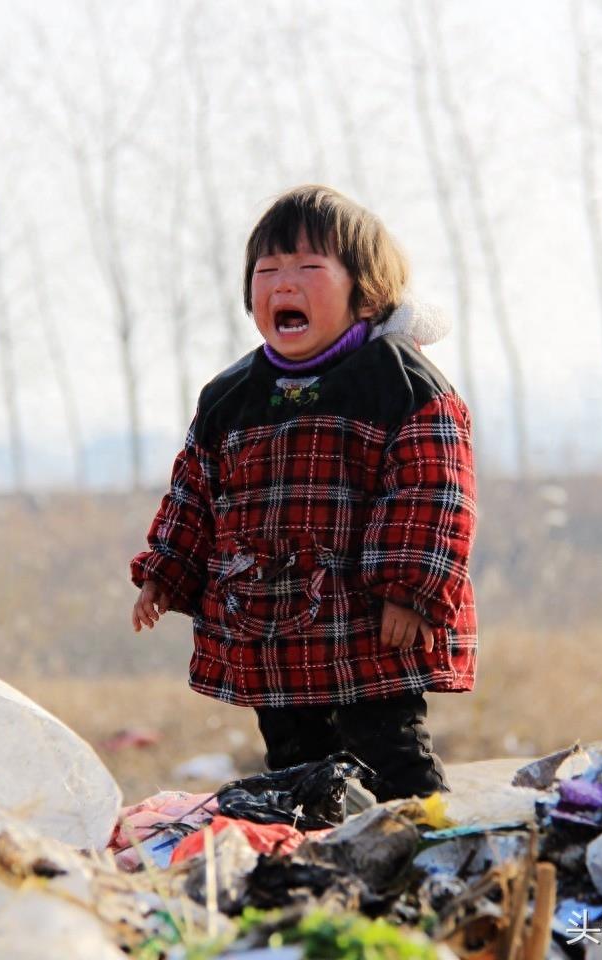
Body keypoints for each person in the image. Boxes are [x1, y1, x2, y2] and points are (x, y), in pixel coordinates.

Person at [129, 185, 476, 801]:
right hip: (268, 628)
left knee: (390, 758)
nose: (284, 283)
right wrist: (167, 571)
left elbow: (432, 493)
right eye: (268, 270)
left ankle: (427, 862)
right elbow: (195, 492)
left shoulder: (401, 383)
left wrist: (411, 592)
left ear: (365, 292)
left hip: (369, 632)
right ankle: (320, 860)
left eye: (308, 267)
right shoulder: (231, 396)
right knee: (295, 769)